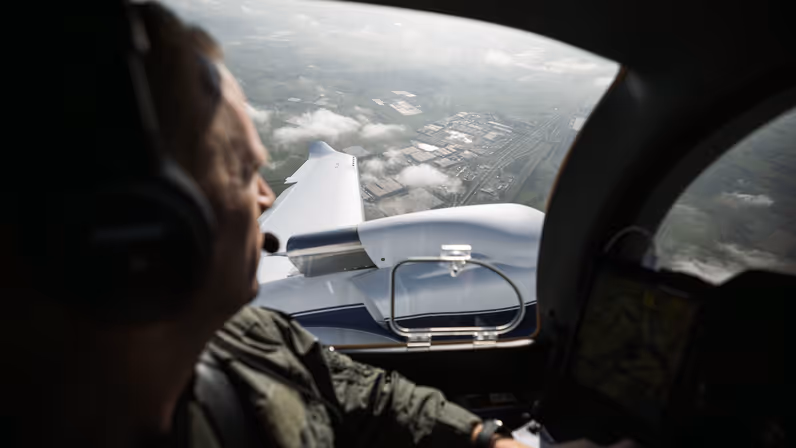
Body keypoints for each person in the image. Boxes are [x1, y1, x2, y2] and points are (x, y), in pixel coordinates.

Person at [1, 3, 531, 448]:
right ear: (151, 225)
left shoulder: (252, 334)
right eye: (242, 172)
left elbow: (360, 394)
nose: (268, 198)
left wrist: (483, 439)